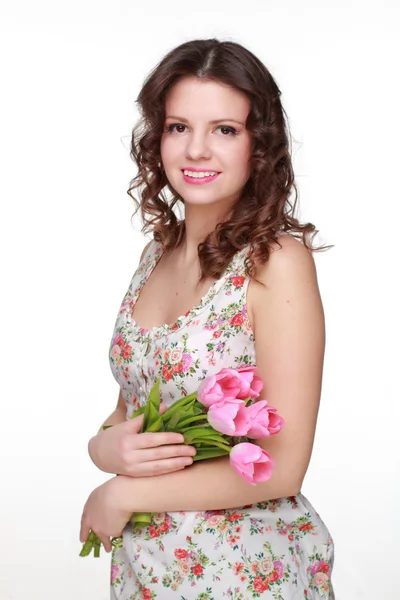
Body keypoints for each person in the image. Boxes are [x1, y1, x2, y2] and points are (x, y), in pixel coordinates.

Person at [80, 38, 335, 599]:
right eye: (178, 127)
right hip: (148, 566)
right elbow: (135, 409)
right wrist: (102, 450)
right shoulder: (157, 253)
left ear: (258, 144)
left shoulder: (277, 263)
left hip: (242, 571)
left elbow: (283, 466)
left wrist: (121, 494)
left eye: (224, 129)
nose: (197, 149)